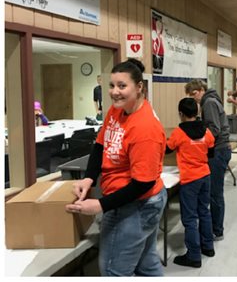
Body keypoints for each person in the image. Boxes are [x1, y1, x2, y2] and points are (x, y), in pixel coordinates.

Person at [65, 58, 167, 276]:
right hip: (129, 199)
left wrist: (101, 205)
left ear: (139, 87)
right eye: (112, 85)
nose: (114, 92)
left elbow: (143, 182)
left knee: (113, 270)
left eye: (122, 86)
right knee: (146, 264)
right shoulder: (116, 111)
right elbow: (101, 144)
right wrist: (89, 178)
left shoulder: (145, 128)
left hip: (137, 204)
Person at [166, 97, 215, 268]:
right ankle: (208, 247)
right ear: (197, 112)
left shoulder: (179, 133)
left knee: (190, 218)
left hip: (189, 179)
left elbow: (167, 149)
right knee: (204, 212)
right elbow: (211, 152)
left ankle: (194, 256)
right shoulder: (206, 131)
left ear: (181, 114)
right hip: (205, 176)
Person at [185, 79, 232, 241]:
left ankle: (217, 230)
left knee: (215, 193)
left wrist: (196, 137)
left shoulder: (209, 103)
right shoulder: (211, 100)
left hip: (218, 150)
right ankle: (214, 227)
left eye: (194, 94)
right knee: (214, 192)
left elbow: (214, 129)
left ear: (201, 90)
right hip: (221, 149)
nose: (194, 98)